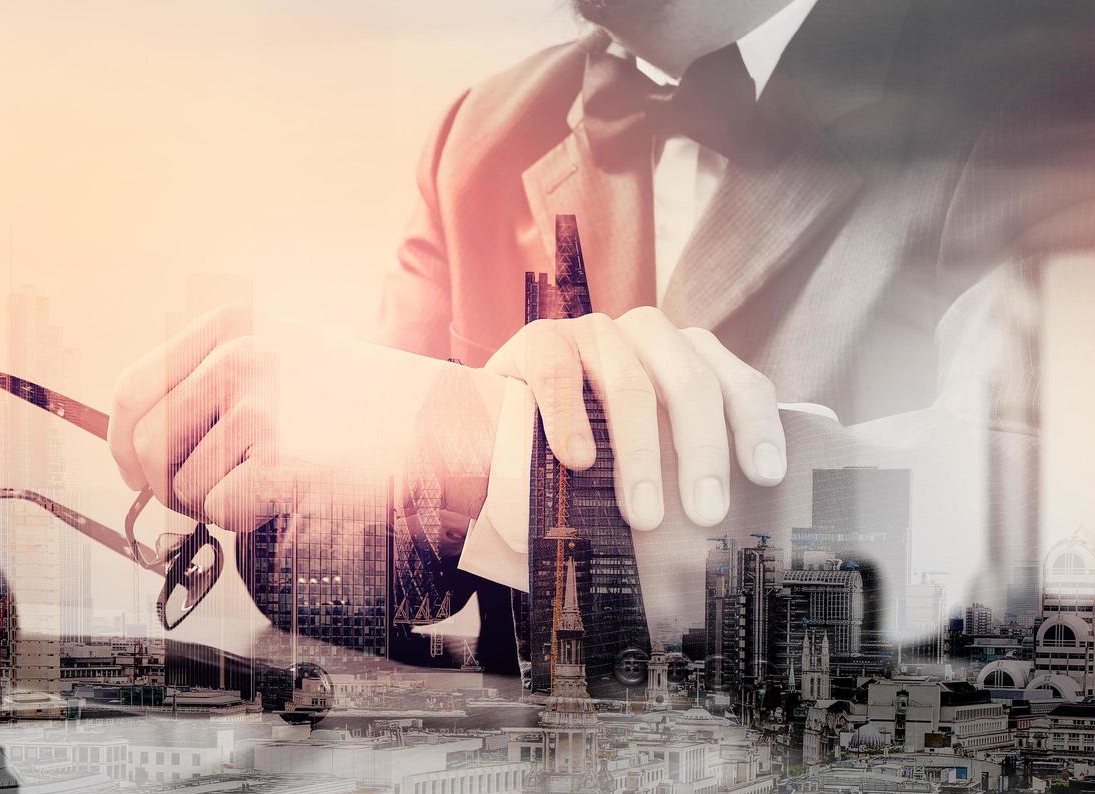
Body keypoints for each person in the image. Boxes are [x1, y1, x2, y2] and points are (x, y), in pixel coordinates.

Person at [107, 0, 1095, 679]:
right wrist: (293, 463)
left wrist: (499, 456)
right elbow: (337, 553)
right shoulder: (477, 135)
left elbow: (1046, 529)